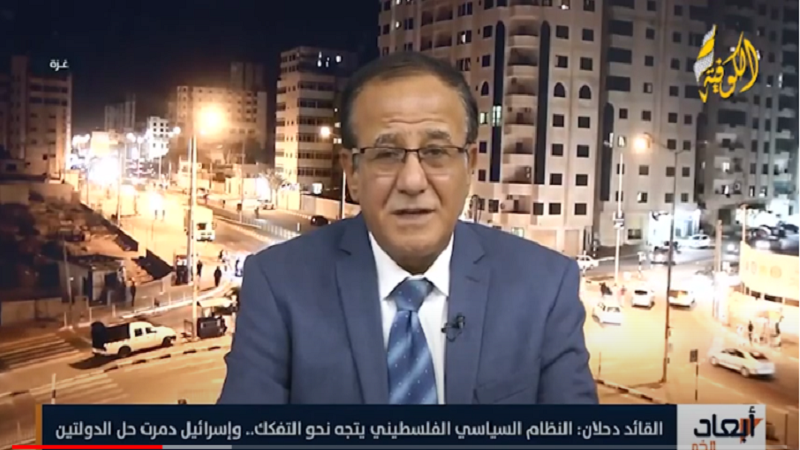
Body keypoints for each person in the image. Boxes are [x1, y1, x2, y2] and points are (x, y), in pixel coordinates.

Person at [218, 51, 597, 405]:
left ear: (470, 164)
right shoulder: (278, 285)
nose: (413, 181)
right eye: (386, 154)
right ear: (352, 171)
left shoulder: (545, 286)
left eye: (436, 152)